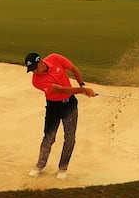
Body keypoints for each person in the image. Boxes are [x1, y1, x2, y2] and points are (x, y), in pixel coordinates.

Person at [24, 52, 96, 180]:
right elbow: (61, 90)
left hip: (70, 105)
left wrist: (82, 84)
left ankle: (63, 167)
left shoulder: (55, 58)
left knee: (70, 137)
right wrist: (83, 91)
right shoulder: (36, 81)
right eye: (31, 70)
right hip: (53, 107)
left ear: (40, 62)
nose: (34, 71)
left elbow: (73, 69)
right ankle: (40, 165)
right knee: (49, 137)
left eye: (35, 68)